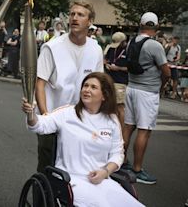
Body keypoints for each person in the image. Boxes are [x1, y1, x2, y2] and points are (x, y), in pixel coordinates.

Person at [22, 72, 144, 207]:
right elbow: (39, 125)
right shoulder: (67, 113)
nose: (87, 90)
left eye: (93, 87)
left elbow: (118, 154)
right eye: (85, 86)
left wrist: (105, 171)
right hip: (71, 180)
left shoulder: (111, 120)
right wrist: (31, 113)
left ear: (104, 95)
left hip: (102, 181)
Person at [35, 0, 103, 173]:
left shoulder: (95, 49)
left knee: (75, 166)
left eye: (80, 15)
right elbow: (39, 83)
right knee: (48, 163)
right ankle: (42, 197)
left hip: (79, 118)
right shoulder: (52, 47)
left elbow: (98, 84)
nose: (74, 18)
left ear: (90, 21)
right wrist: (45, 117)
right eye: (72, 14)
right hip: (52, 114)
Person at [122, 12, 170, 184]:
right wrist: (162, 85)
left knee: (128, 127)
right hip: (147, 92)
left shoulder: (131, 42)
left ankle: (120, 162)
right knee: (144, 130)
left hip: (131, 88)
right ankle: (137, 169)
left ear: (140, 25)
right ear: (156, 27)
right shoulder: (154, 46)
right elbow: (166, 71)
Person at [104, 32, 128, 129]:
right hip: (109, 80)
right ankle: (111, 128)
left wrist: (118, 68)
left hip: (120, 81)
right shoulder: (111, 48)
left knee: (120, 107)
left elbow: (129, 68)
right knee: (109, 106)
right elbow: (105, 59)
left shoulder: (127, 51)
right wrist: (106, 64)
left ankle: (121, 130)